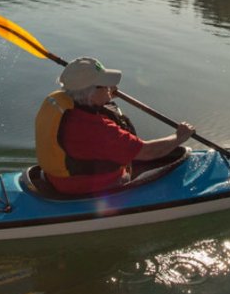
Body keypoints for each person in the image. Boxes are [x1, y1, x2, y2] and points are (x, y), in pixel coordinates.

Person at [35, 56, 194, 196]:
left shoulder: (58, 100)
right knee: (143, 168)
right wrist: (179, 137)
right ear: (91, 92)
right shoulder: (96, 130)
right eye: (105, 85)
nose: (110, 88)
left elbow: (86, 101)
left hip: (55, 178)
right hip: (80, 187)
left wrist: (106, 94)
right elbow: (148, 152)